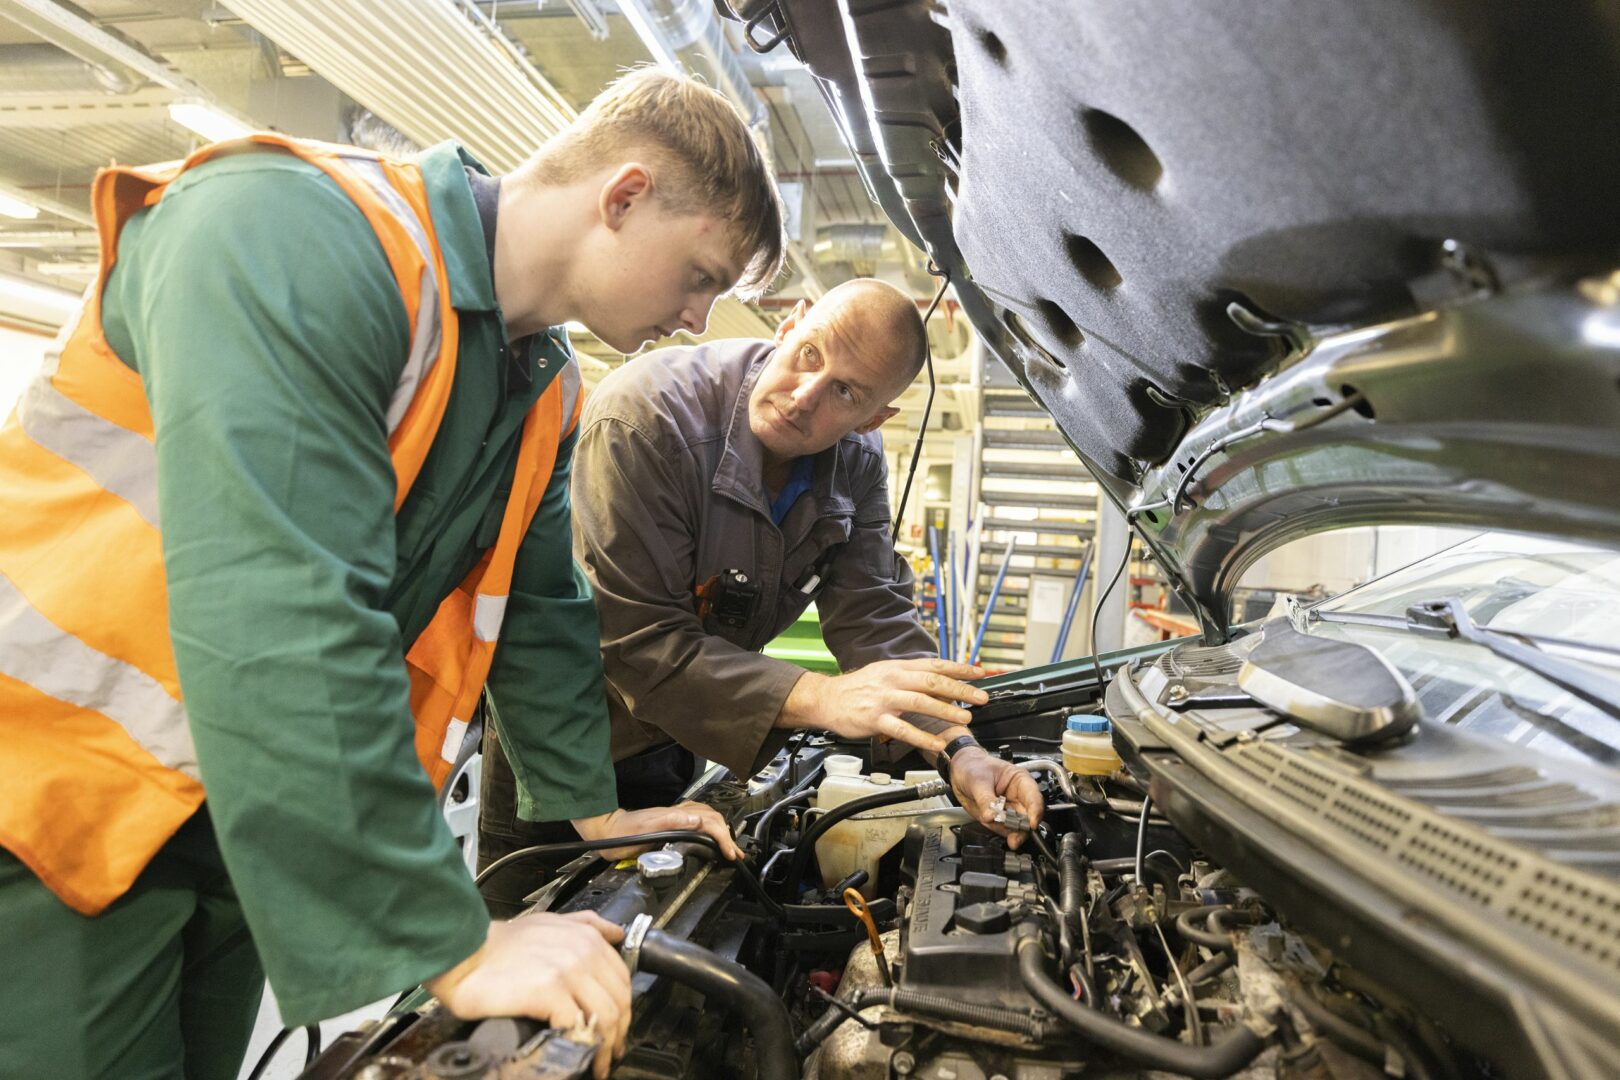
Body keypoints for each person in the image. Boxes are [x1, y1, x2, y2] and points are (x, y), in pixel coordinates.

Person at [0, 68, 780, 1080]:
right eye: (701, 275)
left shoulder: (538, 382)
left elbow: (541, 609)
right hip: (52, 784)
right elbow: (279, 604)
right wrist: (440, 939)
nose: (697, 319)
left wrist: (590, 805)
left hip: (235, 802)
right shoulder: (292, 231)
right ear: (623, 197)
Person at [477, 278, 1043, 915]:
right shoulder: (644, 420)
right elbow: (637, 641)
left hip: (675, 735)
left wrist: (958, 751)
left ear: (874, 419)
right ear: (790, 323)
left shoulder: (857, 461)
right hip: (558, 748)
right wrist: (823, 696)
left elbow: (873, 613)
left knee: (655, 933)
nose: (805, 397)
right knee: (521, 952)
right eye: (810, 353)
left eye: (846, 393)